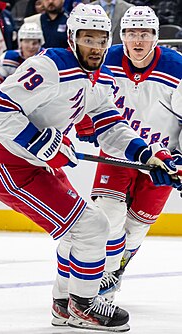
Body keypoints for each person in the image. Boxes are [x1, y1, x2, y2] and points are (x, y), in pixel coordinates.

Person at [0, 3, 180, 331]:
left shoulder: (98, 79)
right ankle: (83, 307)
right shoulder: (50, 65)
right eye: (88, 38)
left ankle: (63, 305)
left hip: (30, 162)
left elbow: (111, 127)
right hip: (4, 161)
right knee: (93, 226)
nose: (96, 47)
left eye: (101, 39)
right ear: (72, 38)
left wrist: (145, 155)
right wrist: (45, 143)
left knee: (83, 228)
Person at [76, 5, 182, 301]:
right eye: (132, 33)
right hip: (119, 151)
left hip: (163, 159)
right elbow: (82, 89)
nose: (138, 41)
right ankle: (102, 281)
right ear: (121, 36)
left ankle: (116, 270)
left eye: (145, 34)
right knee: (107, 218)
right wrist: (85, 121)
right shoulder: (106, 60)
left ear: (156, 37)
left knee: (135, 229)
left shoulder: (177, 67)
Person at [0, 22, 44, 97]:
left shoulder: (47, 58)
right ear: (20, 42)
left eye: (35, 43)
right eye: (27, 42)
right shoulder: (10, 58)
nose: (31, 46)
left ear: (40, 43)